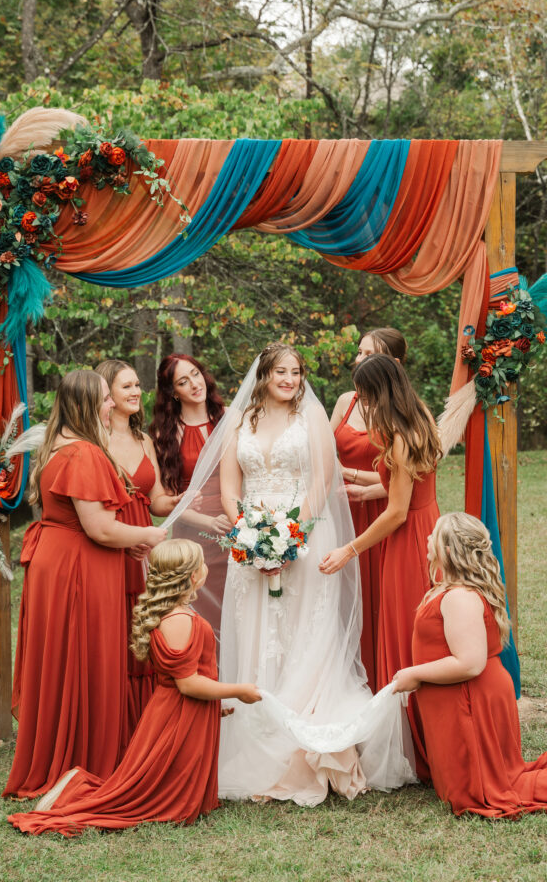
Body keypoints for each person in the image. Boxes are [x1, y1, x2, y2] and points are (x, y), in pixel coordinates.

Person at [165, 343, 417, 806]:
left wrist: (292, 537)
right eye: (281, 371)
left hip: (304, 534)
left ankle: (306, 725)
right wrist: (250, 535)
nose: (290, 379)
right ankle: (261, 733)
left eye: (296, 372)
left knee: (305, 630)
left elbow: (323, 479)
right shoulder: (239, 421)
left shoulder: (312, 418)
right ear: (263, 375)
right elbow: (228, 488)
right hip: (252, 542)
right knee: (258, 632)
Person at [8, 540, 262, 835]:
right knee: (163, 801)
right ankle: (77, 788)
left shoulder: (174, 615)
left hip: (179, 713)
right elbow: (188, 683)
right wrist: (239, 690)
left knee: (168, 787)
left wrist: (214, 704)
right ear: (193, 575)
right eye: (202, 562)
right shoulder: (181, 620)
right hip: (176, 717)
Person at [3, 369, 167, 799]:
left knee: (63, 657)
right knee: (85, 657)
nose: (112, 404)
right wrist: (148, 536)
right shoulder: (85, 455)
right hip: (79, 567)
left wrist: (127, 538)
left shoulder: (56, 446)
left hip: (54, 562)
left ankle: (61, 750)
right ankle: (84, 758)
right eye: (105, 399)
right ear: (88, 405)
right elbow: (101, 529)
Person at [393, 512, 547, 816]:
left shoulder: (459, 597)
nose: (426, 538)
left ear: (448, 550)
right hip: (463, 700)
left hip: (470, 701)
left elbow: (470, 663)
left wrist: (414, 673)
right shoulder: (450, 589)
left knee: (482, 790)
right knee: (482, 780)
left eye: (433, 533)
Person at [320, 353, 441, 782]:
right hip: (427, 528)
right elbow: (404, 483)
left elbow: (396, 512)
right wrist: (358, 483)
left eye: (366, 396)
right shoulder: (419, 417)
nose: (363, 404)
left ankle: (417, 745)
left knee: (402, 638)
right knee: (416, 634)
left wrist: (348, 550)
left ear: (378, 393)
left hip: (406, 541)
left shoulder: (400, 436)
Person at [96, 359, 183, 742]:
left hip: (144, 547)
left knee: (142, 631)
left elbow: (158, 500)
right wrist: (131, 536)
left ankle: (143, 726)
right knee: (112, 632)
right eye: (126, 386)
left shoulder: (144, 440)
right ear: (106, 394)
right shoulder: (93, 440)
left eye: (137, 385)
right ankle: (110, 723)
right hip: (111, 544)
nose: (136, 392)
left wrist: (193, 498)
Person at [330, 328, 407, 689]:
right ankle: (348, 683)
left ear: (392, 364)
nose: (358, 360)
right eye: (359, 352)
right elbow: (326, 454)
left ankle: (380, 681)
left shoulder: (401, 412)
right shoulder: (346, 401)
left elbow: (410, 480)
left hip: (382, 515)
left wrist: (370, 487)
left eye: (369, 354)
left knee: (379, 603)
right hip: (342, 513)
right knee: (343, 602)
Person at [150, 353, 231, 633]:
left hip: (235, 527)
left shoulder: (230, 418)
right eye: (184, 382)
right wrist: (209, 523)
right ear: (173, 392)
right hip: (195, 536)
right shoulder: (166, 435)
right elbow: (167, 500)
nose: (195, 384)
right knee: (201, 615)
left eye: (196, 374)